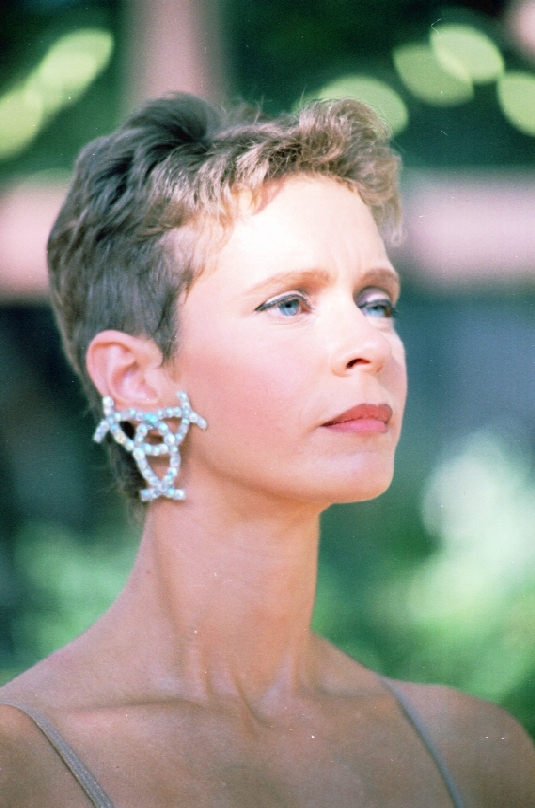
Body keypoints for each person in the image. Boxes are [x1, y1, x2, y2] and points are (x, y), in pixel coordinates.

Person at [0, 94, 534, 808]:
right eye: (289, 303)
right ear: (134, 379)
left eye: (375, 301)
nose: (370, 344)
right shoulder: (22, 768)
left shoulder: (474, 756)